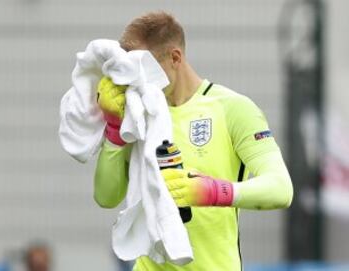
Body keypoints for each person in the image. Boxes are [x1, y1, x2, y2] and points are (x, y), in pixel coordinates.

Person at [94, 11, 293, 271]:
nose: (137, 79)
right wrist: (114, 127)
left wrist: (212, 191)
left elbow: (281, 189)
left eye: (144, 67)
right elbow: (106, 197)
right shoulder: (138, 114)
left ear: (175, 58)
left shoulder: (232, 108)